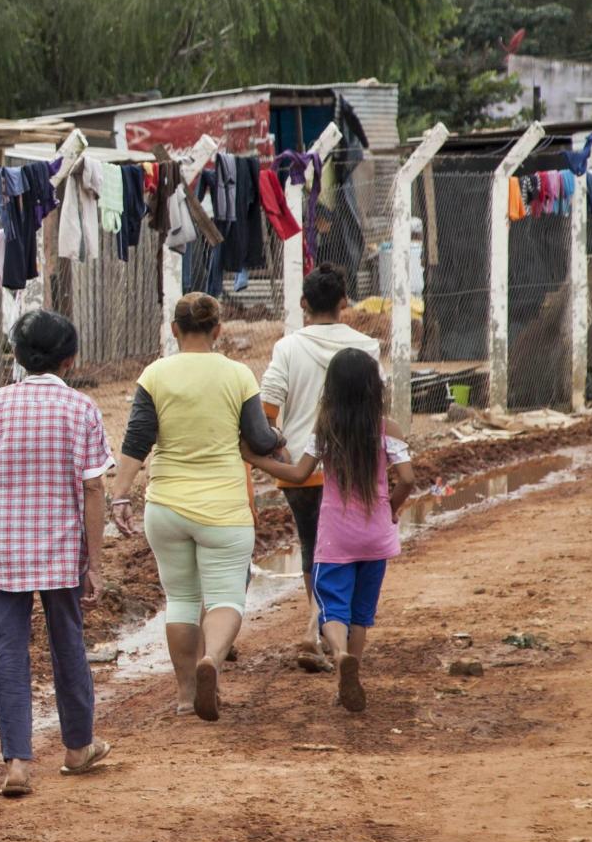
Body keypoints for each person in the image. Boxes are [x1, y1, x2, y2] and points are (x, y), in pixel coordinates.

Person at [0, 308, 113, 798]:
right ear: (70, 359)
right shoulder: (82, 409)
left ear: (18, 358)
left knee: (9, 652)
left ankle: (18, 763)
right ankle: (77, 748)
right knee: (68, 645)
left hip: (0, 548)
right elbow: (94, 489)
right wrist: (95, 563)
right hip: (62, 550)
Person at [117, 292, 284, 721]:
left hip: (167, 506)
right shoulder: (237, 374)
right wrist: (279, 439)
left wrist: (120, 494)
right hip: (224, 509)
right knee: (226, 595)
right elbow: (261, 439)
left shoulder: (154, 375)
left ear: (173, 330)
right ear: (218, 330)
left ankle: (185, 695)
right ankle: (212, 658)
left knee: (181, 598)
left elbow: (137, 440)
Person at [248, 349, 416, 713]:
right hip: (376, 538)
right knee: (361, 614)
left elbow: (297, 474)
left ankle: (340, 656)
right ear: (375, 388)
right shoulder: (389, 429)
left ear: (332, 390)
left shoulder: (326, 430)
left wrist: (253, 458)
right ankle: (349, 674)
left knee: (332, 610)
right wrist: (390, 509)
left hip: (336, 538)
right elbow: (407, 479)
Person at [258, 265, 382, 671]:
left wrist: (274, 449)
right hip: (354, 468)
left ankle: (316, 627)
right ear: (345, 302)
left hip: (301, 469)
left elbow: (267, 409)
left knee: (315, 548)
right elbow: (376, 407)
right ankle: (323, 630)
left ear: (303, 304)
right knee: (350, 551)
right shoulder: (367, 346)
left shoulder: (288, 348)